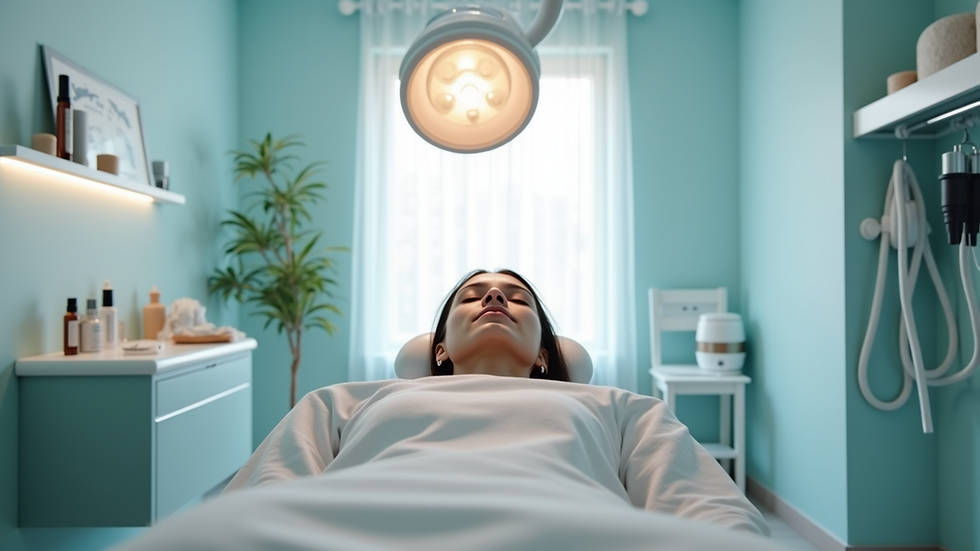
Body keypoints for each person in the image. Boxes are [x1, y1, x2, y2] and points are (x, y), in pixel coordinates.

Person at [112, 269, 782, 551]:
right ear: (439, 347)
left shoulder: (614, 405)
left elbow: (710, 512)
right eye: (474, 296)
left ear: (546, 354)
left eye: (516, 298)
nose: (494, 299)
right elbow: (271, 486)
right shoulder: (349, 399)